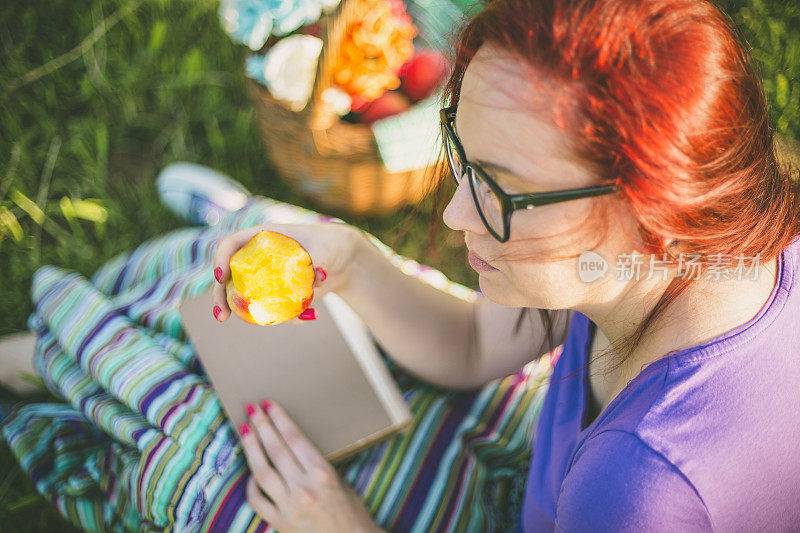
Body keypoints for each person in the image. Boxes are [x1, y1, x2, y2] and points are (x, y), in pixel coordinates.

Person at [2, 0, 800, 531]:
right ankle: (62, 349)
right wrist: (350, 261)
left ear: (647, 211)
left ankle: (55, 354)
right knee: (273, 243)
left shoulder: (642, 493)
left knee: (215, 479)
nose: (455, 216)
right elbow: (474, 347)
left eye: (499, 191)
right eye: (463, 157)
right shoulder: (659, 251)